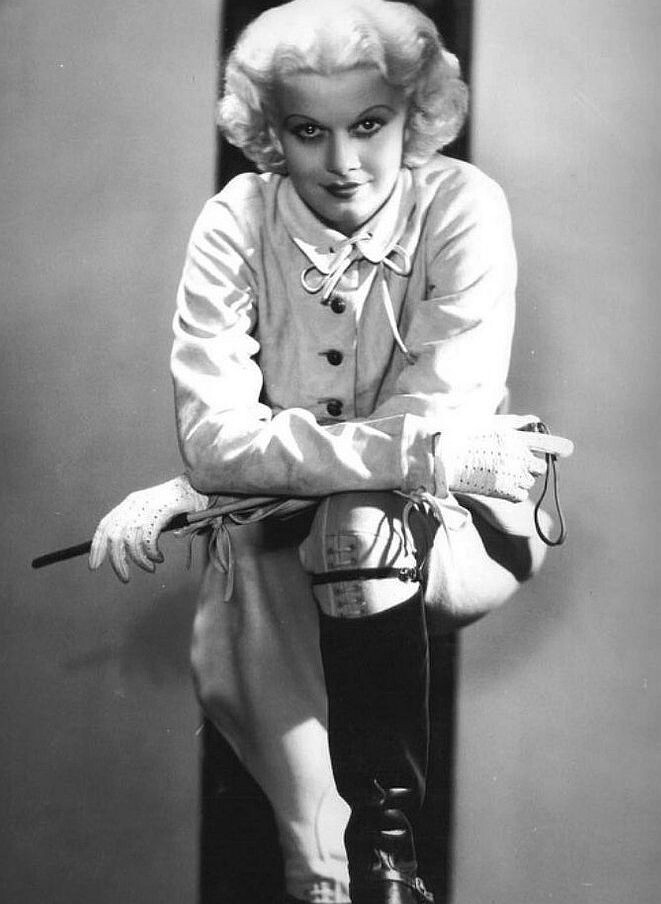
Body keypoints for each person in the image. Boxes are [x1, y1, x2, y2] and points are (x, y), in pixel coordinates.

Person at [89, 2, 573, 901]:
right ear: (269, 132)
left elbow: (438, 417)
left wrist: (231, 478)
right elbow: (214, 440)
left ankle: (384, 858)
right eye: (309, 131)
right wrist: (212, 480)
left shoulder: (462, 204)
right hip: (296, 531)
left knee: (351, 523)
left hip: (460, 522)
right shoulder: (235, 220)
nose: (343, 161)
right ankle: (329, 877)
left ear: (413, 117)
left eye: (370, 124)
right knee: (256, 606)